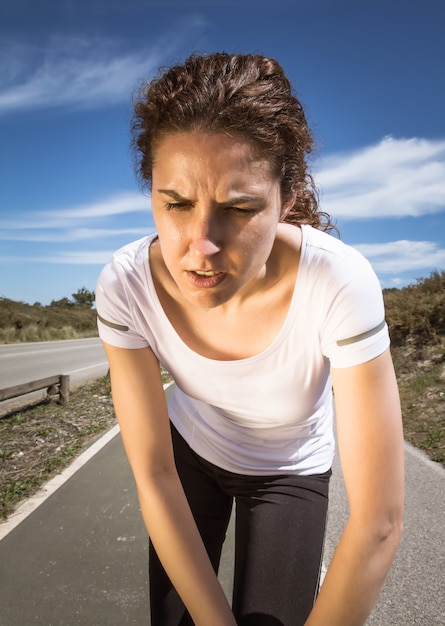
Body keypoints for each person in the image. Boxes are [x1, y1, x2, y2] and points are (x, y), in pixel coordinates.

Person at [95, 52, 404, 626]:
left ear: (287, 199)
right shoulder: (125, 285)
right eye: (177, 204)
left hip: (291, 470)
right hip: (187, 457)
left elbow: (379, 522)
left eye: (239, 208)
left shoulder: (338, 281)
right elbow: (155, 476)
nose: (201, 246)